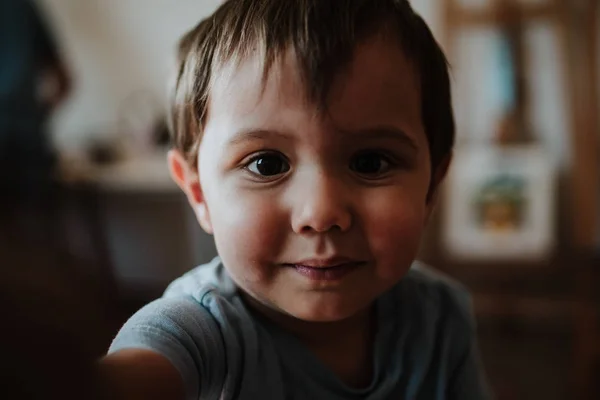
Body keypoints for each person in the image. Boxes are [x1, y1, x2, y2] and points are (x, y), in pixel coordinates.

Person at [101, 0, 491, 398]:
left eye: (371, 163)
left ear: (431, 189)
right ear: (198, 193)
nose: (321, 213)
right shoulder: (201, 331)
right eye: (267, 164)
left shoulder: (441, 319)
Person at [0, 0, 71, 243]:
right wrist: (34, 116)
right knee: (41, 243)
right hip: (30, 146)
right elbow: (64, 81)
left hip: (21, 149)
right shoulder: (21, 7)